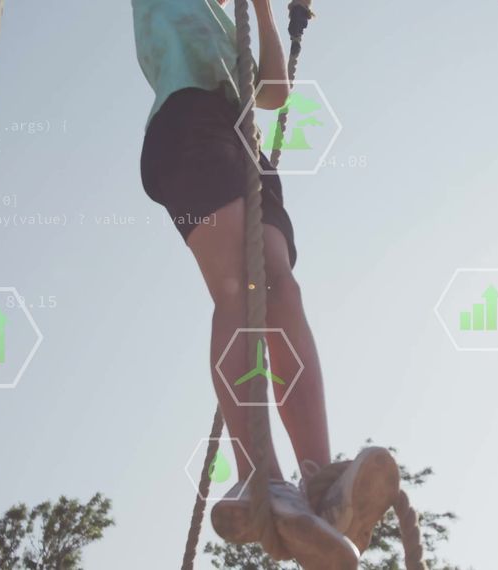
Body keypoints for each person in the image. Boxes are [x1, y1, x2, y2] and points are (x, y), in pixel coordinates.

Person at [131, 0, 399, 566]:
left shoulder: (233, 27)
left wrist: (264, 11)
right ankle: (259, 476)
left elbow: (273, 91)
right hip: (189, 123)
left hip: (240, 139)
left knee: (281, 290)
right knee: (240, 287)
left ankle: (319, 485)